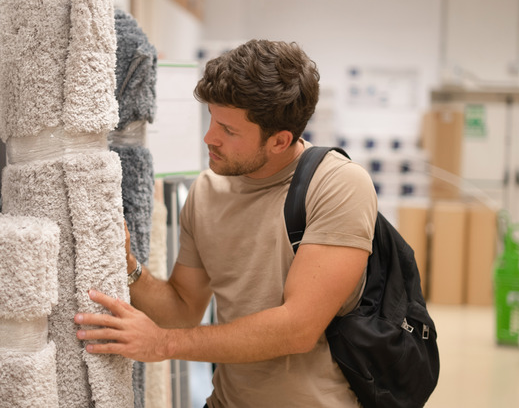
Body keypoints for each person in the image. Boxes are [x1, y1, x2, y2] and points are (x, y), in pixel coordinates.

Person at [75, 39, 378, 407]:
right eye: (212, 121)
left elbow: (297, 328)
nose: (209, 138)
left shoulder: (338, 185)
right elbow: (183, 309)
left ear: (280, 141)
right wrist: (129, 268)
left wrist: (162, 344)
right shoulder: (206, 191)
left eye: (229, 131)